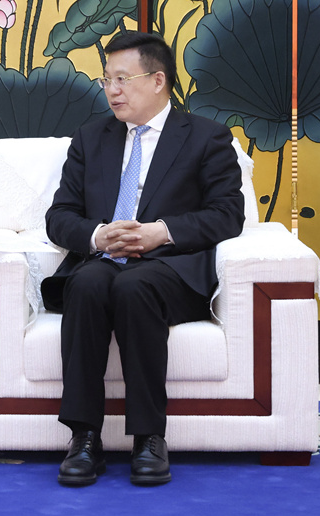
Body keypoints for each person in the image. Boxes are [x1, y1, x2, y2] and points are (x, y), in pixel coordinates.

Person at [42, 31, 244, 487]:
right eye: (106, 80)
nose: (112, 90)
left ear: (157, 80)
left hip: (170, 268)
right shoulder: (91, 138)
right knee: (87, 284)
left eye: (122, 79)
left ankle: (149, 437)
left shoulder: (206, 137)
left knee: (135, 286)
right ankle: (84, 437)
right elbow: (59, 216)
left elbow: (228, 214)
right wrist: (97, 235)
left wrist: (161, 232)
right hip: (103, 261)